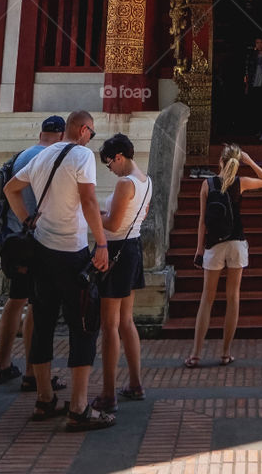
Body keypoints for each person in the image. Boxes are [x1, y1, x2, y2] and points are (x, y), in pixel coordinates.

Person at [4, 109, 113, 432]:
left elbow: (11, 188)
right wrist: (102, 243)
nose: (91, 138)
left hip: (40, 252)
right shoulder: (81, 155)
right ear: (82, 130)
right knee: (83, 326)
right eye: (91, 133)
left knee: (43, 323)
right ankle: (79, 408)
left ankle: (44, 398)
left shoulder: (41, 155)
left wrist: (27, 219)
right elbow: (90, 201)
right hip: (71, 252)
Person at [0, 115, 66, 390]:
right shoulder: (51, 159)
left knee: (15, 300)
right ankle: (32, 373)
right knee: (37, 304)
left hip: (13, 241)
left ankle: (3, 365)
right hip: (36, 242)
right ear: (61, 135)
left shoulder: (22, 156)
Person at [184, 144, 262, 368]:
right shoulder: (240, 183)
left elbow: (202, 221)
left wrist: (198, 249)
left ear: (220, 162)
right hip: (237, 244)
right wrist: (250, 161)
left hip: (214, 245)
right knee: (233, 298)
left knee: (207, 299)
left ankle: (195, 354)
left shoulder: (207, 184)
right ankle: (225, 353)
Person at [91, 133, 153, 413]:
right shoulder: (146, 181)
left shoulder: (125, 183)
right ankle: (135, 383)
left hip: (115, 251)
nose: (110, 169)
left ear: (119, 157)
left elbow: (113, 224)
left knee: (110, 326)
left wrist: (90, 211)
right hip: (133, 249)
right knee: (126, 321)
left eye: (109, 164)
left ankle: (108, 393)